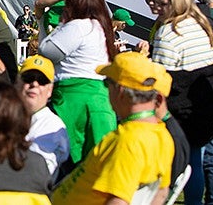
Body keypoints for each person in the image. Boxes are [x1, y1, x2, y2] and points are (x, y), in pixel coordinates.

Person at [52, 52, 175, 205]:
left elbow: (118, 201)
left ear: (120, 90)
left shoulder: (127, 141)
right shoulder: (163, 135)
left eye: (106, 83)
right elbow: (161, 192)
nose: (105, 89)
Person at [151, 0, 213, 205]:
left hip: (182, 107)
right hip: (208, 101)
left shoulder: (167, 32)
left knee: (186, 165)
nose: (158, 8)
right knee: (202, 160)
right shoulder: (204, 24)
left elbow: (161, 77)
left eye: (163, 4)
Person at [38, 0, 117, 165]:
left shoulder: (77, 26)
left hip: (74, 97)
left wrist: (50, 23)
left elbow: (46, 50)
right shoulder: (99, 26)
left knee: (72, 159)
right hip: (99, 96)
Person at [16, 55, 69, 179]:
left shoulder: (53, 126)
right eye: (28, 78)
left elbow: (35, 173)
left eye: (42, 80)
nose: (34, 84)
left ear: (50, 90)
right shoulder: (2, 117)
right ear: (17, 83)